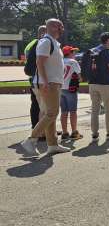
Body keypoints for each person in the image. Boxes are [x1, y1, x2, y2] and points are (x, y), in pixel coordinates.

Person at [21, 19, 70, 156]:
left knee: (51, 113)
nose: (61, 28)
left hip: (52, 82)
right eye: (59, 26)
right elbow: (39, 63)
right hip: (48, 83)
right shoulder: (46, 41)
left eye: (61, 26)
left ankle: (52, 145)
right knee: (52, 113)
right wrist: (46, 82)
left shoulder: (54, 43)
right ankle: (31, 139)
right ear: (52, 27)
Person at [87, 32, 109, 142]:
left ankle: (94, 134)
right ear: (108, 40)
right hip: (105, 84)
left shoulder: (93, 50)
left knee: (95, 110)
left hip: (92, 84)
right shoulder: (107, 52)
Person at [24, 25, 47, 131]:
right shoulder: (41, 44)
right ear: (43, 33)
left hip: (32, 77)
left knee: (35, 104)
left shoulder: (31, 44)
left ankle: (36, 127)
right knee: (42, 106)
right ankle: (40, 129)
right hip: (38, 77)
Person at [60, 46, 82, 141]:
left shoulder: (59, 61)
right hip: (70, 89)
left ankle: (64, 132)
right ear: (69, 53)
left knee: (64, 111)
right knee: (73, 111)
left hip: (60, 88)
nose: (75, 54)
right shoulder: (73, 62)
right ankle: (74, 132)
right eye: (73, 52)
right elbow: (80, 77)